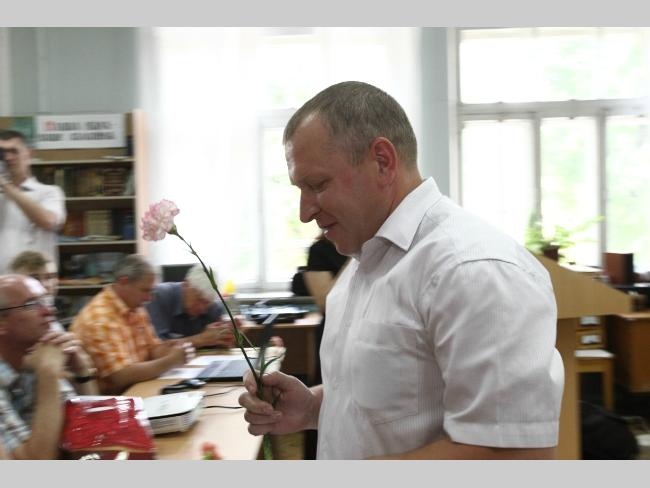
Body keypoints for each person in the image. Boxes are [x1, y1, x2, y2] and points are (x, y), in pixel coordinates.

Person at [239, 81, 565, 460]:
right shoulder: (363, 263)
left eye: (317, 185)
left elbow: (513, 458)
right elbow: (397, 396)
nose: (304, 211)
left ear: (382, 161)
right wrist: (313, 408)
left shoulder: (473, 269)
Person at [0, 274, 98, 459]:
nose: (49, 311)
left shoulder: (38, 351)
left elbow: (90, 430)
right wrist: (48, 374)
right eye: (32, 304)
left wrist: (82, 374)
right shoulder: (45, 361)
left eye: (46, 300)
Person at [70, 254, 194, 395]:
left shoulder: (134, 306)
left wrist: (175, 351)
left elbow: (152, 349)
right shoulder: (99, 318)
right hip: (112, 400)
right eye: (145, 290)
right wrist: (171, 361)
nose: (149, 298)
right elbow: (121, 376)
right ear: (123, 282)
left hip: (136, 390)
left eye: (151, 291)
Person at [0, 130, 66, 274]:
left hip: (37, 283)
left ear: (29, 154)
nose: (8, 158)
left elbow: (47, 221)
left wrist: (6, 185)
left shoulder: (49, 192)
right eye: (2, 153)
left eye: (14, 151)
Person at [146, 264, 235, 349]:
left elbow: (220, 348)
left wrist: (229, 337)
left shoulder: (214, 307)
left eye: (207, 303)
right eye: (198, 299)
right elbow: (155, 348)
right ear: (185, 285)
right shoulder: (157, 296)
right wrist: (201, 339)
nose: (202, 308)